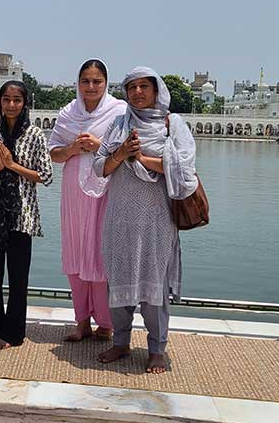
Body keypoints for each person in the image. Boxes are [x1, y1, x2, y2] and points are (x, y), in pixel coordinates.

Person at [93, 66, 198, 374]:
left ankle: (157, 349)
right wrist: (121, 153)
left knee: (154, 288)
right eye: (132, 87)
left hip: (156, 221)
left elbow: (184, 170)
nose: (137, 92)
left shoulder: (172, 124)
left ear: (156, 90)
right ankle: (120, 342)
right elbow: (99, 167)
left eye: (144, 86)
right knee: (119, 282)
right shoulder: (118, 124)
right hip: (120, 219)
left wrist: (139, 158)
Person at [48, 59, 126, 342]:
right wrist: (72, 148)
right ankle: (81, 320)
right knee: (75, 252)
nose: (91, 87)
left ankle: (105, 322)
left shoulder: (119, 112)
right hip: (73, 192)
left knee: (100, 253)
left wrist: (98, 146)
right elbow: (53, 153)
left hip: (105, 190)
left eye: (97, 81)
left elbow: (127, 151)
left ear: (106, 83)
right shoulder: (68, 113)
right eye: (85, 81)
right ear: (78, 83)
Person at [0, 80, 53, 349]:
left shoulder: (35, 135)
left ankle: (13, 334)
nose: (11, 105)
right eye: (6, 99)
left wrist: (12, 165)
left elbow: (45, 176)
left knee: (18, 279)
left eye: (17, 100)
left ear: (24, 103)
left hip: (21, 215)